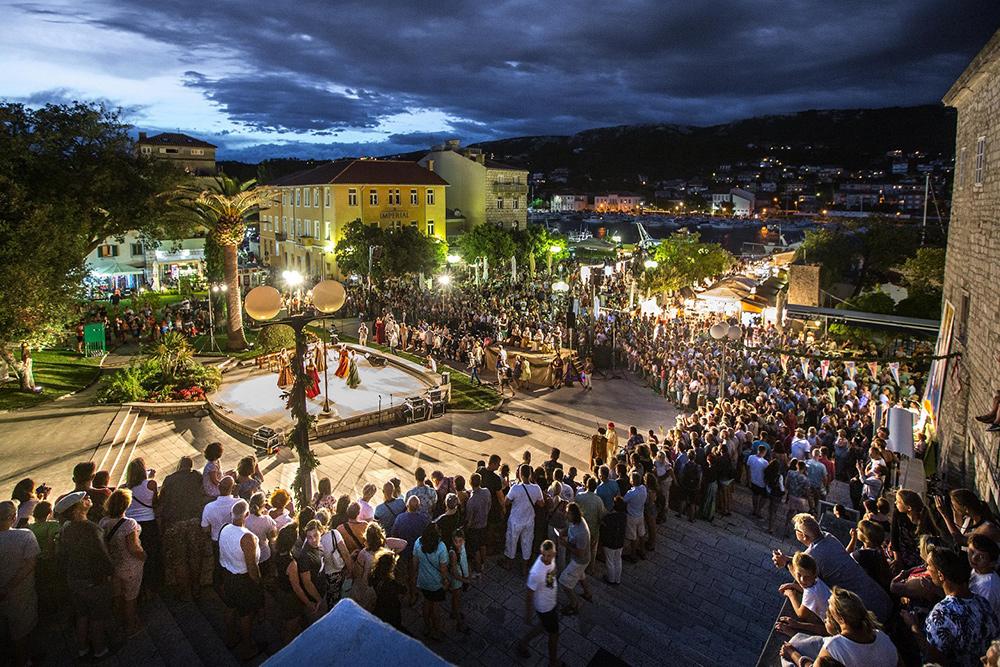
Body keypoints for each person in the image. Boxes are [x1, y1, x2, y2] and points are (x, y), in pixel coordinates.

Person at [773, 514, 892, 623]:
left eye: (796, 530)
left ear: (803, 536)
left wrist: (786, 563)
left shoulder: (812, 554)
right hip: (881, 598)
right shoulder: (829, 537)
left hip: (868, 612)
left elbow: (804, 580)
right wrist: (789, 559)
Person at [900, 545, 1000, 667]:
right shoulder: (981, 601)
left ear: (940, 575)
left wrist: (913, 626)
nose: (926, 569)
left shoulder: (941, 614)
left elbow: (933, 657)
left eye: (928, 565)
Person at [56, 491, 113, 660]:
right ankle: (100, 650)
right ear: (76, 509)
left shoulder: (66, 528)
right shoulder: (91, 528)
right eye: (84, 499)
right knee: (97, 616)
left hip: (74, 578)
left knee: (82, 615)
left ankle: (82, 649)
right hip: (93, 580)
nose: (88, 498)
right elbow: (101, 555)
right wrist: (110, 572)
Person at [781, 587, 898, 667]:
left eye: (829, 613)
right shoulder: (881, 636)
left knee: (790, 652)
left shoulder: (835, 645)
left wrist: (793, 654)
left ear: (841, 620)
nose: (826, 615)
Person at [218, 499, 263, 660]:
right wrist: (258, 583)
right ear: (247, 514)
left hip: (228, 575)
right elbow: (252, 567)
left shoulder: (224, 528)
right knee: (246, 614)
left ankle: (230, 638)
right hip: (243, 581)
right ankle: (247, 648)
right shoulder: (247, 538)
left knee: (230, 607)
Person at [99, 489, 146, 637]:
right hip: (130, 565)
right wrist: (144, 556)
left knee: (117, 596)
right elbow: (133, 548)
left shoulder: (103, 522)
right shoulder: (129, 524)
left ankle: (119, 623)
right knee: (130, 598)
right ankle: (131, 626)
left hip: (114, 565)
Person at [159, 456, 206, 600]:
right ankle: (196, 588)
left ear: (179, 466)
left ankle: (184, 591)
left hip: (175, 522)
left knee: (179, 559)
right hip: (194, 521)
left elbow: (161, 500)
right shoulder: (197, 476)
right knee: (196, 556)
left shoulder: (169, 479)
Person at [0, 500, 39, 667]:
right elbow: (30, 564)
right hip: (20, 593)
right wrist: (8, 588)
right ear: (13, 517)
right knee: (22, 631)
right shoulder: (25, 536)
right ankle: (23, 661)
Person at [516, 540, 560, 666]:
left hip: (551, 602)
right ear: (541, 552)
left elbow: (552, 571)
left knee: (543, 626)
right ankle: (553, 663)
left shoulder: (551, 560)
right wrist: (528, 614)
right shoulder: (535, 572)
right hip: (545, 608)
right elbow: (529, 595)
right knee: (554, 634)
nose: (546, 558)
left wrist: (552, 579)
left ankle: (523, 643)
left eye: (549, 555)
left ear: (554, 554)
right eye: (544, 555)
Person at [124, 458, 162, 592]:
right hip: (149, 523)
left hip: (132, 525)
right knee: (151, 554)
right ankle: (152, 586)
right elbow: (155, 502)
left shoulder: (124, 488)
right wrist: (150, 478)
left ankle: (139, 587)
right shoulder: (151, 484)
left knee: (135, 556)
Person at [775, 552, 831, 636]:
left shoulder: (811, 593)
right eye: (799, 574)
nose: (802, 580)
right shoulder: (817, 581)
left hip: (832, 628)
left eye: (806, 576)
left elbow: (800, 614)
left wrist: (791, 595)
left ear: (814, 574)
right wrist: (794, 585)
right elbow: (809, 591)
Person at [391, 496, 430, 605]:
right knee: (413, 574)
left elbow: (394, 534)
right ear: (418, 506)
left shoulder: (400, 518)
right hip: (417, 552)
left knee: (402, 575)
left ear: (407, 505)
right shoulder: (423, 519)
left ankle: (404, 594)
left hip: (403, 552)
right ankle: (413, 595)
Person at [505, 464, 544, 574]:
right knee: (527, 544)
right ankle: (524, 568)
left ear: (520, 474)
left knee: (511, 542)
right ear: (530, 474)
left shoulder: (515, 488)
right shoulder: (536, 488)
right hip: (529, 521)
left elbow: (506, 502)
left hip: (515, 520)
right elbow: (541, 504)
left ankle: (509, 565)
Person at [413, 523, 449, 640]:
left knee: (426, 603)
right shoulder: (441, 547)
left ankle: (427, 627)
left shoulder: (418, 542)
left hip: (423, 581)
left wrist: (414, 576)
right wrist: (445, 580)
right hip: (436, 583)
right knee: (435, 608)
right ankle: (437, 631)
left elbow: (415, 563)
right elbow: (443, 569)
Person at [558, 503, 592, 616]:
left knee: (563, 582)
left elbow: (580, 553)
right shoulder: (576, 521)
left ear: (574, 515)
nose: (566, 515)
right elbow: (570, 527)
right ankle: (587, 593)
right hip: (579, 559)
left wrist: (565, 544)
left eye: (568, 513)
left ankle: (574, 605)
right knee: (581, 575)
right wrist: (563, 532)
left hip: (579, 561)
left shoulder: (582, 532)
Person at [370, 551, 406, 632]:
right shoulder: (390, 583)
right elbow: (403, 590)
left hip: (380, 606)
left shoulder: (374, 575)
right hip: (392, 609)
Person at [464, 473, 491, 575]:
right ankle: (484, 563)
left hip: (475, 527)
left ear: (470, 483)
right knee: (483, 545)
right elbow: (489, 505)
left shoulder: (471, 501)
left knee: (475, 549)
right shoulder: (487, 491)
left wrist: (466, 529)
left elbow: (469, 520)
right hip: (484, 523)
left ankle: (478, 569)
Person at [245, 492, 277, 576]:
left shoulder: (244, 519)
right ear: (262, 505)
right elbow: (273, 537)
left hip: (249, 555)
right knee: (265, 576)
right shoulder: (267, 519)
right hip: (264, 554)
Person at [969, 534, 1000, 619]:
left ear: (992, 563)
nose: (974, 558)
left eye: (981, 557)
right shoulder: (977, 569)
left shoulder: (988, 587)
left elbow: (981, 615)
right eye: (972, 552)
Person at [448, 528, 471, 633]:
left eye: (460, 541)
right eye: (455, 541)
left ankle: (454, 613)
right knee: (457, 600)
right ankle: (459, 624)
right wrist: (465, 581)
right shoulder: (453, 553)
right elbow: (454, 573)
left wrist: (468, 573)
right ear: (452, 540)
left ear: (464, 540)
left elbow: (465, 560)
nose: (458, 544)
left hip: (461, 577)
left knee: (455, 597)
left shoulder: (463, 546)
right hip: (457, 580)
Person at [600, 496, 627, 585]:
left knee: (610, 561)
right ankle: (617, 579)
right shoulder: (624, 516)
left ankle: (611, 579)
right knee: (618, 560)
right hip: (620, 542)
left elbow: (603, 525)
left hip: (609, 543)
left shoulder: (609, 517)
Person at [623, 472, 647, 562]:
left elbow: (624, 500)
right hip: (640, 514)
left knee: (633, 537)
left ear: (632, 481)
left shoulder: (631, 493)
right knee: (641, 533)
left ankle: (633, 555)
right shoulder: (643, 488)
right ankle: (642, 551)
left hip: (632, 516)